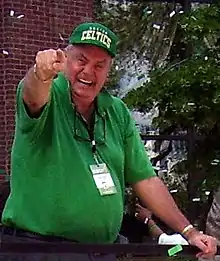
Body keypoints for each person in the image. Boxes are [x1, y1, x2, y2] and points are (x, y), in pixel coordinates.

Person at [1, 21, 217, 261]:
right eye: (81, 60)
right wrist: (40, 74)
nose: (88, 72)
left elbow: (145, 179)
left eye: (99, 65)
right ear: (66, 59)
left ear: (108, 71)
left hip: (103, 251)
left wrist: (189, 231)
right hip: (40, 249)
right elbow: (32, 97)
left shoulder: (117, 111)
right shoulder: (48, 92)